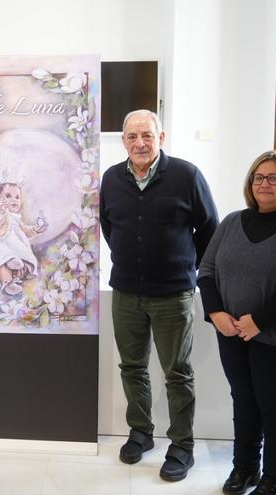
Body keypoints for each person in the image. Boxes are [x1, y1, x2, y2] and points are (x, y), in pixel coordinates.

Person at [99, 109, 218, 481]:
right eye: (132, 136)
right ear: (123, 141)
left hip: (173, 293)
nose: (139, 142)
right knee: (132, 367)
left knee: (177, 372)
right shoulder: (112, 178)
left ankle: (182, 445)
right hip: (126, 292)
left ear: (161, 138)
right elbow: (109, 225)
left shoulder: (186, 175)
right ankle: (141, 433)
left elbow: (210, 230)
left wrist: (184, 268)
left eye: (147, 135)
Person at [198, 151, 276, 495]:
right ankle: (245, 469)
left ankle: (275, 478)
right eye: (258, 177)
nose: (263, 184)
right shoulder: (232, 222)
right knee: (244, 400)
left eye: (273, 178)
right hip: (233, 332)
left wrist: (259, 321)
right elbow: (206, 269)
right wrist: (215, 313)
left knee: (275, 404)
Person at [0, 181, 47, 295]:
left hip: (15, 247)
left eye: (17, 197)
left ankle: (21, 269)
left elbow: (25, 230)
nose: (14, 200)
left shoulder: (14, 217)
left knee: (27, 258)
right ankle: (8, 282)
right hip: (0, 243)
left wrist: (35, 230)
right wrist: (3, 213)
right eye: (8, 196)